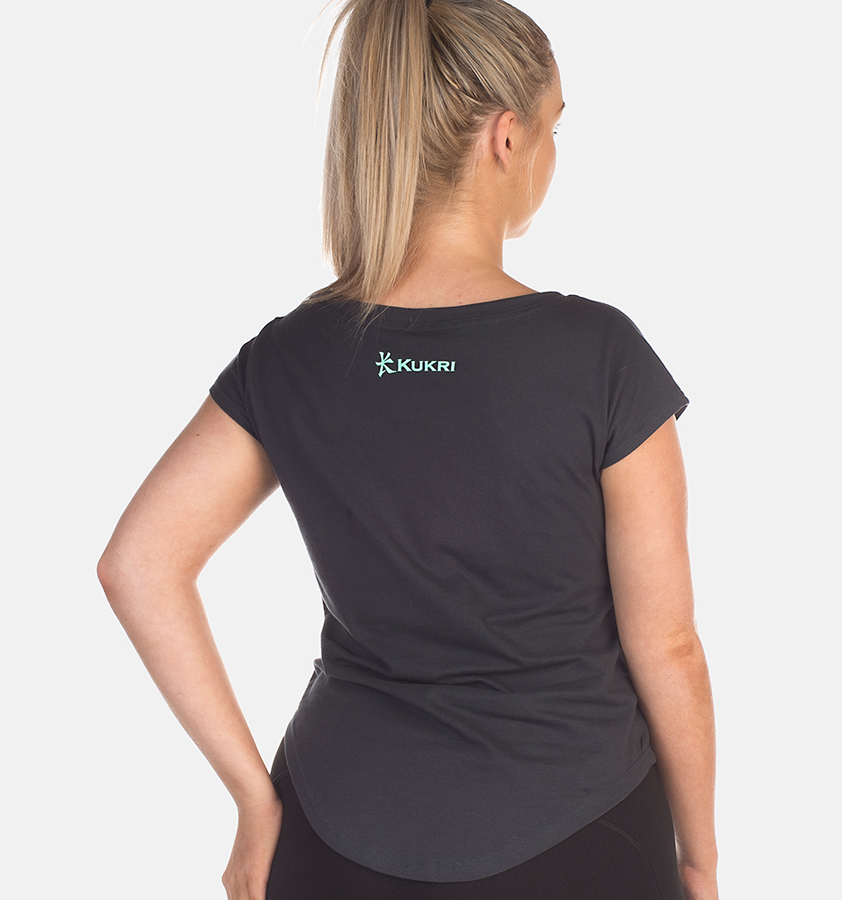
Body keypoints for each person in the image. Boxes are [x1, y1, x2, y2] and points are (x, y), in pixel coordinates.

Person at [97, 0, 719, 898]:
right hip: (584, 838)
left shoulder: (295, 353)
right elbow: (668, 645)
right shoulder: (599, 355)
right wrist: (698, 856)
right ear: (507, 138)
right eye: (554, 128)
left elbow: (138, 563)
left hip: (333, 838)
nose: (552, 151)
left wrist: (253, 798)